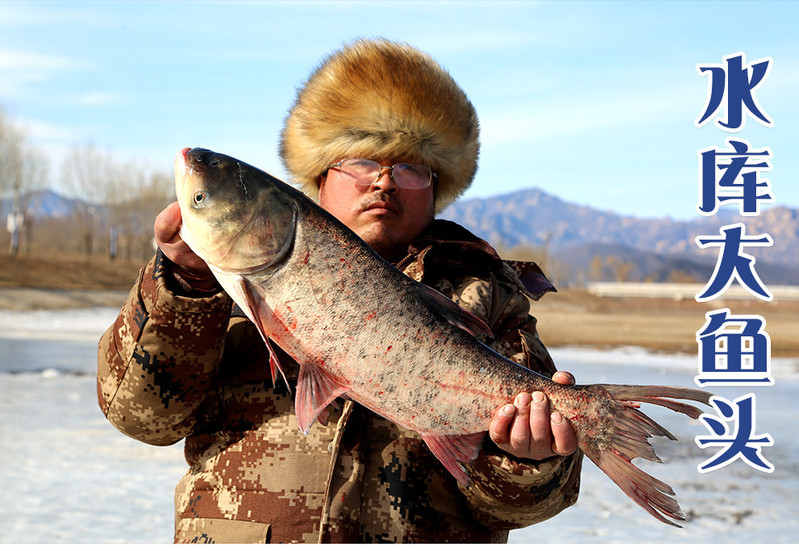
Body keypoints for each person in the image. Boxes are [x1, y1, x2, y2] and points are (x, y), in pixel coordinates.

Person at [97, 39, 583, 543]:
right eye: (361, 161)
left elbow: (526, 507)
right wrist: (182, 286)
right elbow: (141, 418)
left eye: (411, 167)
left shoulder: (487, 298)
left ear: (437, 189)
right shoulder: (210, 283)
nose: (384, 183)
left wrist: (531, 461)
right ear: (319, 177)